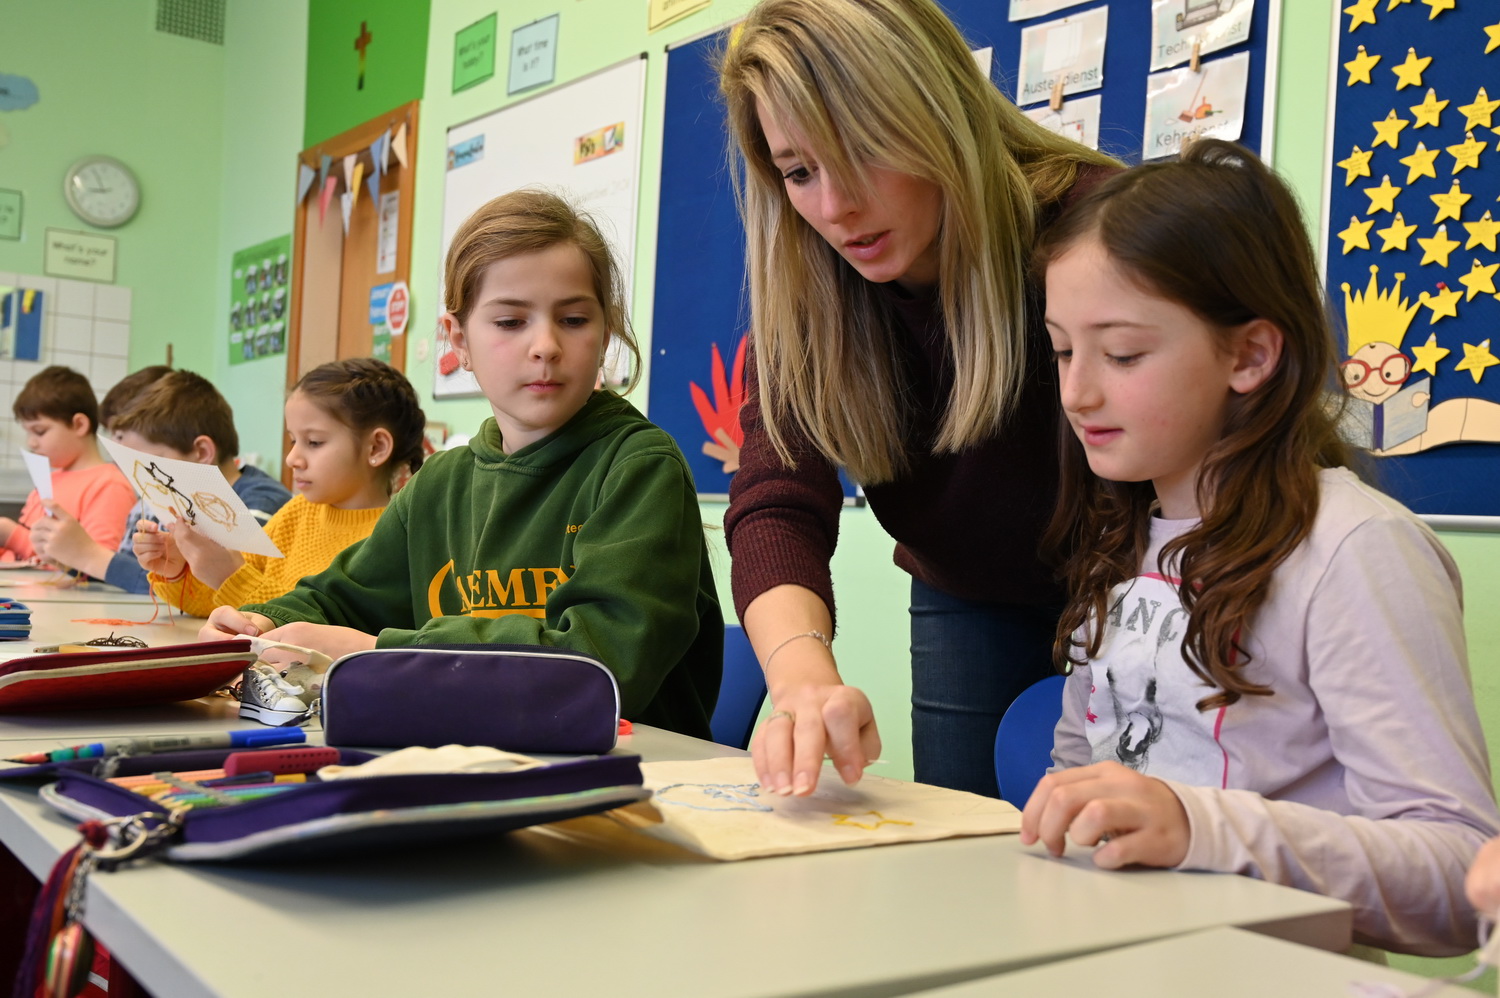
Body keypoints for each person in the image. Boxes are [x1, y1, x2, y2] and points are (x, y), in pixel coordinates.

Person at [1017, 139, 1499, 956]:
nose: (1076, 392)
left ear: (1249, 355)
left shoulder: (1356, 552)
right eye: (1063, 350)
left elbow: (1459, 879)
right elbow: (1075, 779)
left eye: (1123, 353)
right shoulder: (1119, 540)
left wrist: (1198, 825)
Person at [718, 0, 1120, 796]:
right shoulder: (810, 291)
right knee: (965, 840)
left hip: (1150, 581)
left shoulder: (1090, 229)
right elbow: (776, 503)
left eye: (862, 151)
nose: (835, 209)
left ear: (935, 112)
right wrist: (801, 679)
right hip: (966, 587)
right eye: (799, 171)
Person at [200, 190, 723, 738]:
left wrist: (383, 652)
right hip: (475, 755)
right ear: (458, 340)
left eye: (572, 319)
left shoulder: (638, 467)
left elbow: (601, 671)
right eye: (510, 322)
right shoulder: (442, 482)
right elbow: (342, 597)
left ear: (605, 330)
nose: (545, 345)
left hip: (634, 776)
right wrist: (263, 623)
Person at [134, 358, 422, 618]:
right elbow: (226, 601)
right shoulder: (296, 514)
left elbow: (320, 628)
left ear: (376, 447)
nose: (292, 458)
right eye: (293, 440)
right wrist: (179, 570)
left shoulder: (392, 537)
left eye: (314, 442)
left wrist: (230, 576)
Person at [33, 369, 291, 592]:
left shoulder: (260, 500)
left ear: (201, 452)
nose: (146, 479)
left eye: (152, 464)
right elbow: (135, 573)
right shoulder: (170, 497)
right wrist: (68, 558)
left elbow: (226, 586)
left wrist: (89, 556)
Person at [0, 365, 134, 561]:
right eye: (28, 433)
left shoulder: (108, 485)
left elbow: (98, 564)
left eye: (40, 431)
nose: (31, 442)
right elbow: (25, 558)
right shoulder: (49, 480)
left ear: (79, 425)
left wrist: (11, 534)